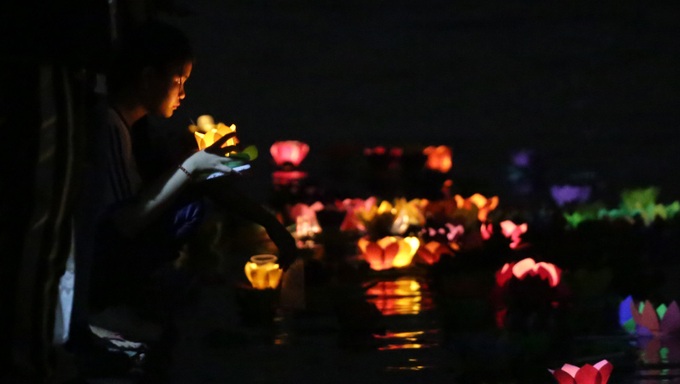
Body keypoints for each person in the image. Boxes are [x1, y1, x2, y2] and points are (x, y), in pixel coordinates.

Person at [70, 18, 299, 375]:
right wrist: (190, 166)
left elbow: (200, 183)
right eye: (178, 80)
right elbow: (123, 222)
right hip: (99, 284)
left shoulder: (138, 131)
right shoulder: (107, 126)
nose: (183, 93)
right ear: (148, 78)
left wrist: (269, 222)